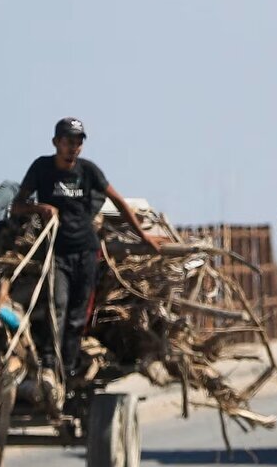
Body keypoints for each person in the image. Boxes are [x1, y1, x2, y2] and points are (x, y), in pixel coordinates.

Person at [12, 117, 170, 381]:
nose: (73, 147)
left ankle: (68, 369)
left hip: (86, 252)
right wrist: (39, 208)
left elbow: (118, 201)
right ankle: (49, 364)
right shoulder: (41, 168)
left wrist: (143, 235)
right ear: (56, 142)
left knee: (78, 314)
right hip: (57, 253)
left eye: (78, 142)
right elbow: (17, 206)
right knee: (57, 306)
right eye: (68, 141)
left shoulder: (88, 171)